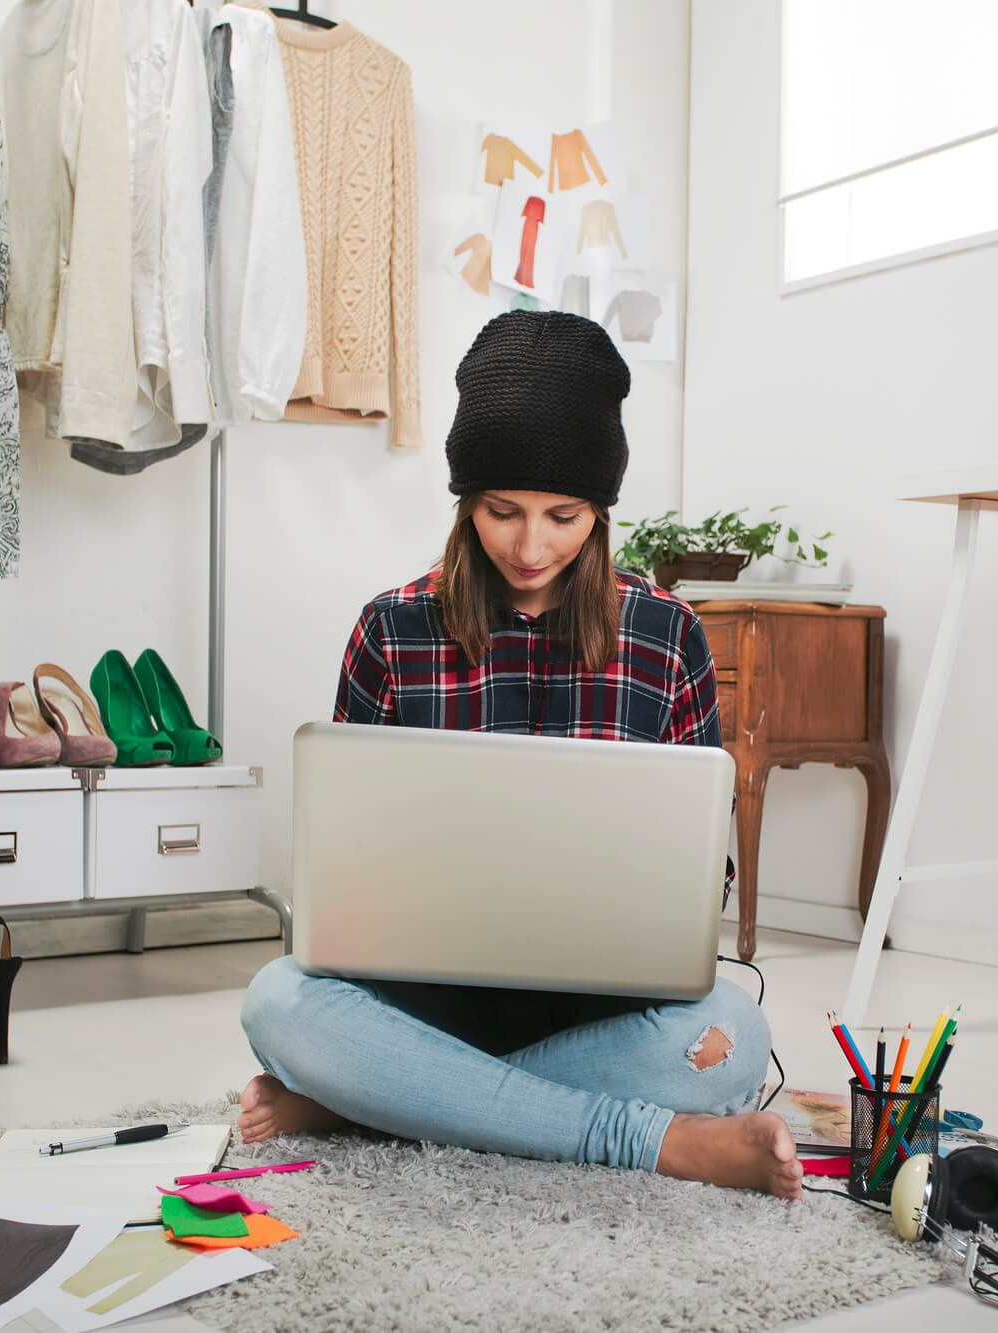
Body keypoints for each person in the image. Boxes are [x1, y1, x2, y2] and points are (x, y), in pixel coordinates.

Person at [238, 311, 802, 1199]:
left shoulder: (666, 633)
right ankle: (644, 1138)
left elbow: (704, 879)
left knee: (735, 1029)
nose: (531, 546)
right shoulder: (393, 628)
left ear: (602, 510)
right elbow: (343, 876)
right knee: (278, 1001)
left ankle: (382, 1101)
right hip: (426, 997)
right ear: (465, 500)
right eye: (502, 511)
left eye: (562, 515)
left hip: (603, 1008)